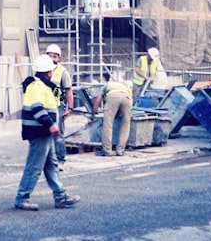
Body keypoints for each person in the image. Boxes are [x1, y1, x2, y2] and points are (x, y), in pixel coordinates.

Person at [14, 54, 80, 211]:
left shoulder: (41, 85)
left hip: (43, 132)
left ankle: (60, 196)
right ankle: (22, 197)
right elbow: (37, 108)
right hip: (40, 132)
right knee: (34, 166)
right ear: (48, 72)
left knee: (51, 165)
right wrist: (50, 125)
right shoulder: (37, 86)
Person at [92, 71, 133, 156]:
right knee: (125, 124)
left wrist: (93, 114)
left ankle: (107, 150)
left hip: (113, 97)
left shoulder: (106, 85)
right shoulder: (123, 85)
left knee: (108, 124)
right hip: (127, 98)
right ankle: (120, 150)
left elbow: (98, 101)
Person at [45, 44, 73, 166]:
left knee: (58, 133)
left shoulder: (62, 72)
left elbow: (68, 91)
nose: (52, 58)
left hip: (57, 106)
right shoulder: (41, 70)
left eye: (54, 56)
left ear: (59, 58)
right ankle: (47, 159)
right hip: (44, 106)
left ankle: (60, 159)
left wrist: (69, 108)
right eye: (50, 56)